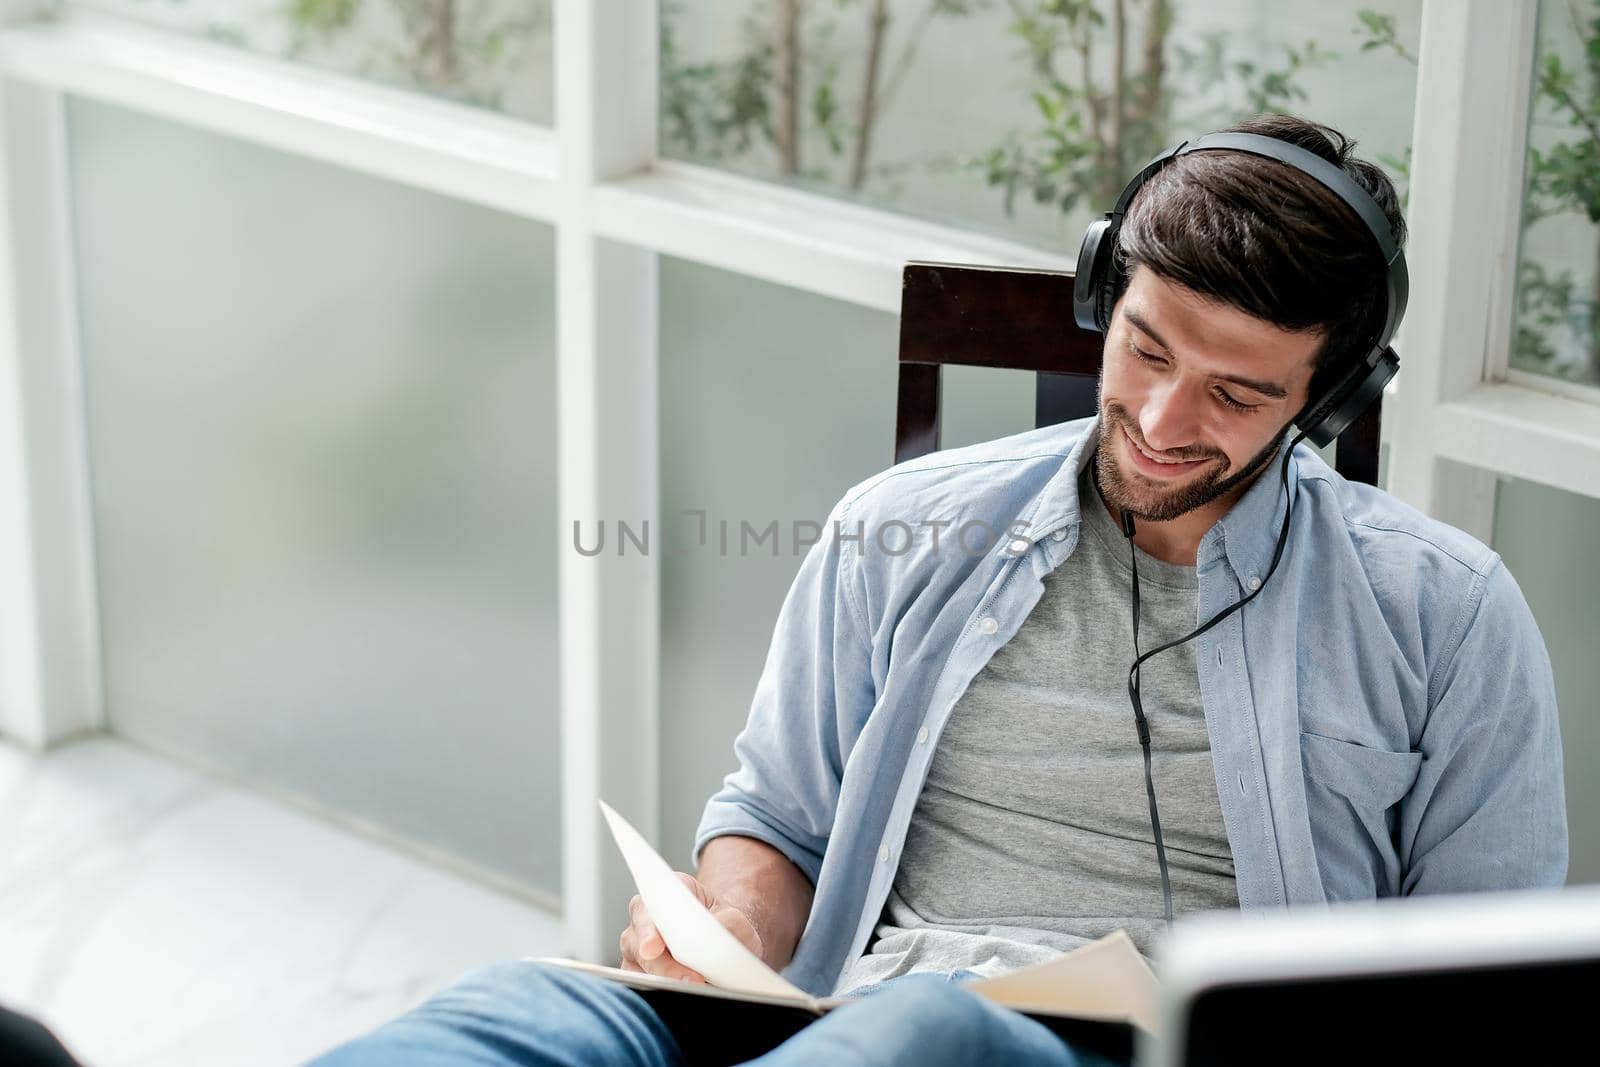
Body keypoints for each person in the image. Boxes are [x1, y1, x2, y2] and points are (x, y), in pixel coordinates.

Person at [307, 113, 1568, 1067]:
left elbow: (1481, 980)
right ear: (1102, 297)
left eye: (1236, 394)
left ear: (1328, 401)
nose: (1162, 421)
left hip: (1093, 1041)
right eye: (1144, 347)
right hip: (845, 1016)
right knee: (517, 1009)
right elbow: (780, 813)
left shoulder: (1444, 615)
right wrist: (734, 925)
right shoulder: (901, 528)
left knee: (923, 1030)